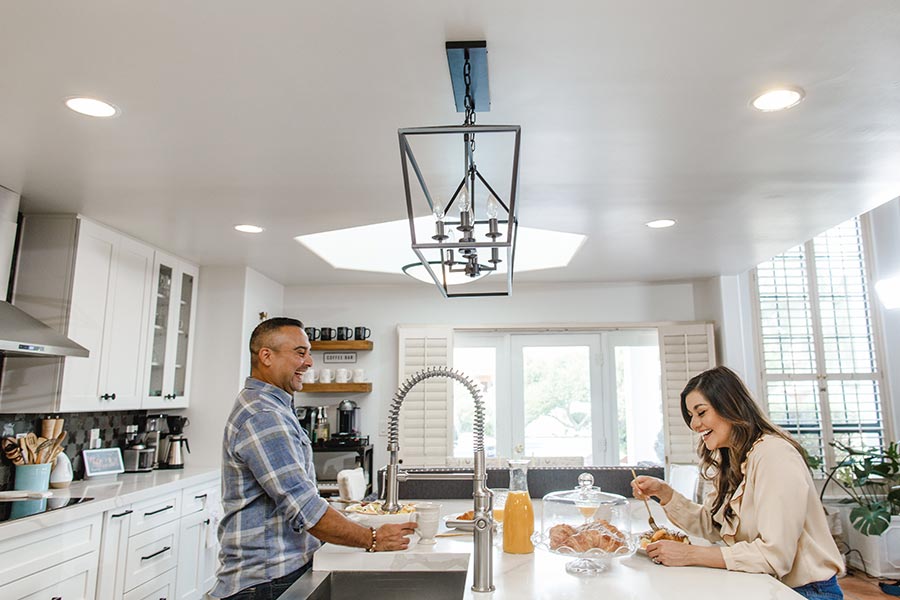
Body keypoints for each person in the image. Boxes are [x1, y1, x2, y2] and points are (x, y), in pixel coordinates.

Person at [212, 317, 416, 600]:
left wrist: (364, 525)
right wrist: (372, 538)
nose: (309, 362)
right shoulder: (264, 415)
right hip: (265, 583)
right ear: (266, 356)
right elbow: (305, 509)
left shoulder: (273, 406)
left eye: (308, 353)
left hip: (273, 577)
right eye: (300, 352)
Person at [632, 366, 845, 600]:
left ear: (730, 406)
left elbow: (774, 555)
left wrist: (690, 554)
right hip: (762, 583)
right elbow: (713, 526)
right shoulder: (733, 460)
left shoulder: (773, 454)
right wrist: (665, 494)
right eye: (691, 416)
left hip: (805, 592)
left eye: (701, 412)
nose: (694, 424)